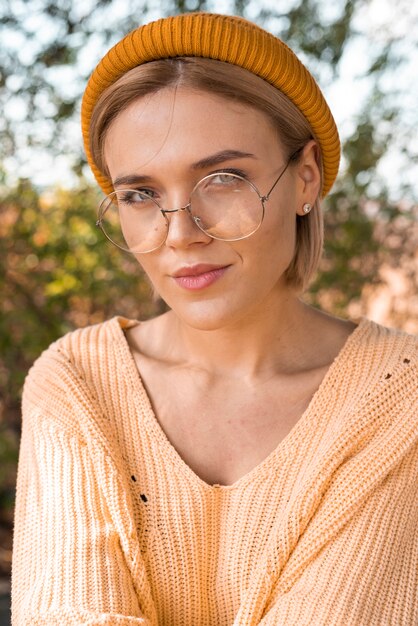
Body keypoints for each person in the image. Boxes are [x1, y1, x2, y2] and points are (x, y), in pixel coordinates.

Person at [11, 12, 417, 626]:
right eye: (140, 195)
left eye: (222, 179)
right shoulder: (77, 383)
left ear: (305, 177)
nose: (179, 234)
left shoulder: (399, 397)